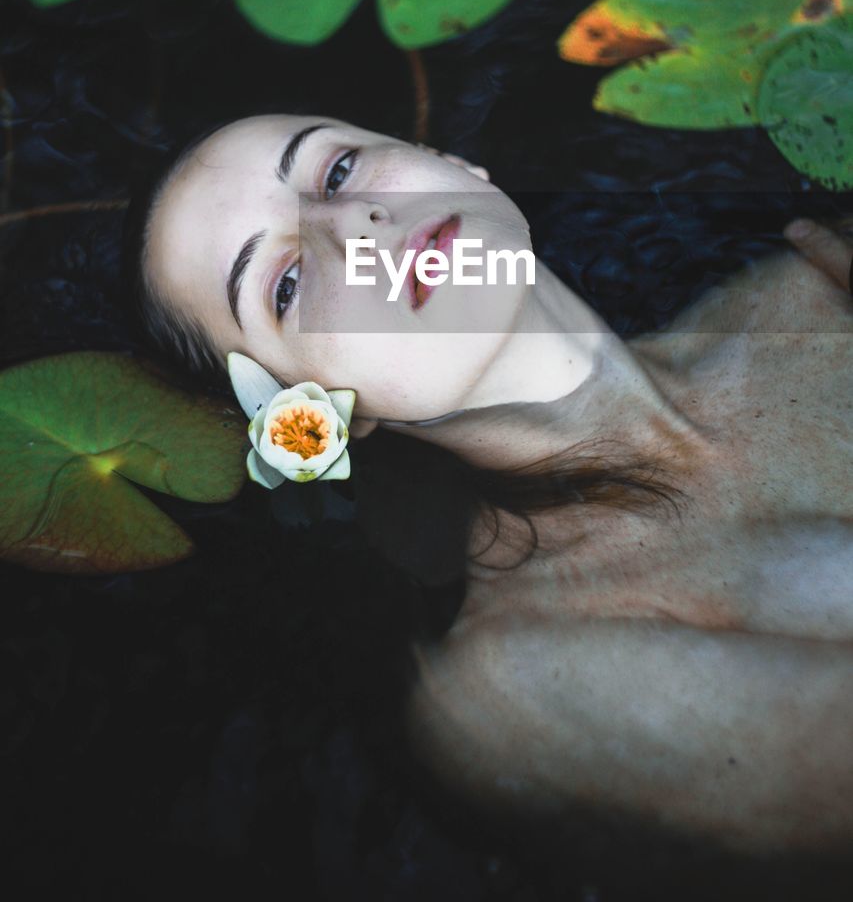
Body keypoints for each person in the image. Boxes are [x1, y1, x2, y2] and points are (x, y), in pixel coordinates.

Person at [123, 112, 853, 857]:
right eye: (283, 285)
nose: (353, 224)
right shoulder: (517, 674)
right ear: (307, 415)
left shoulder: (813, 287)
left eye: (335, 171)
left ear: (453, 163)